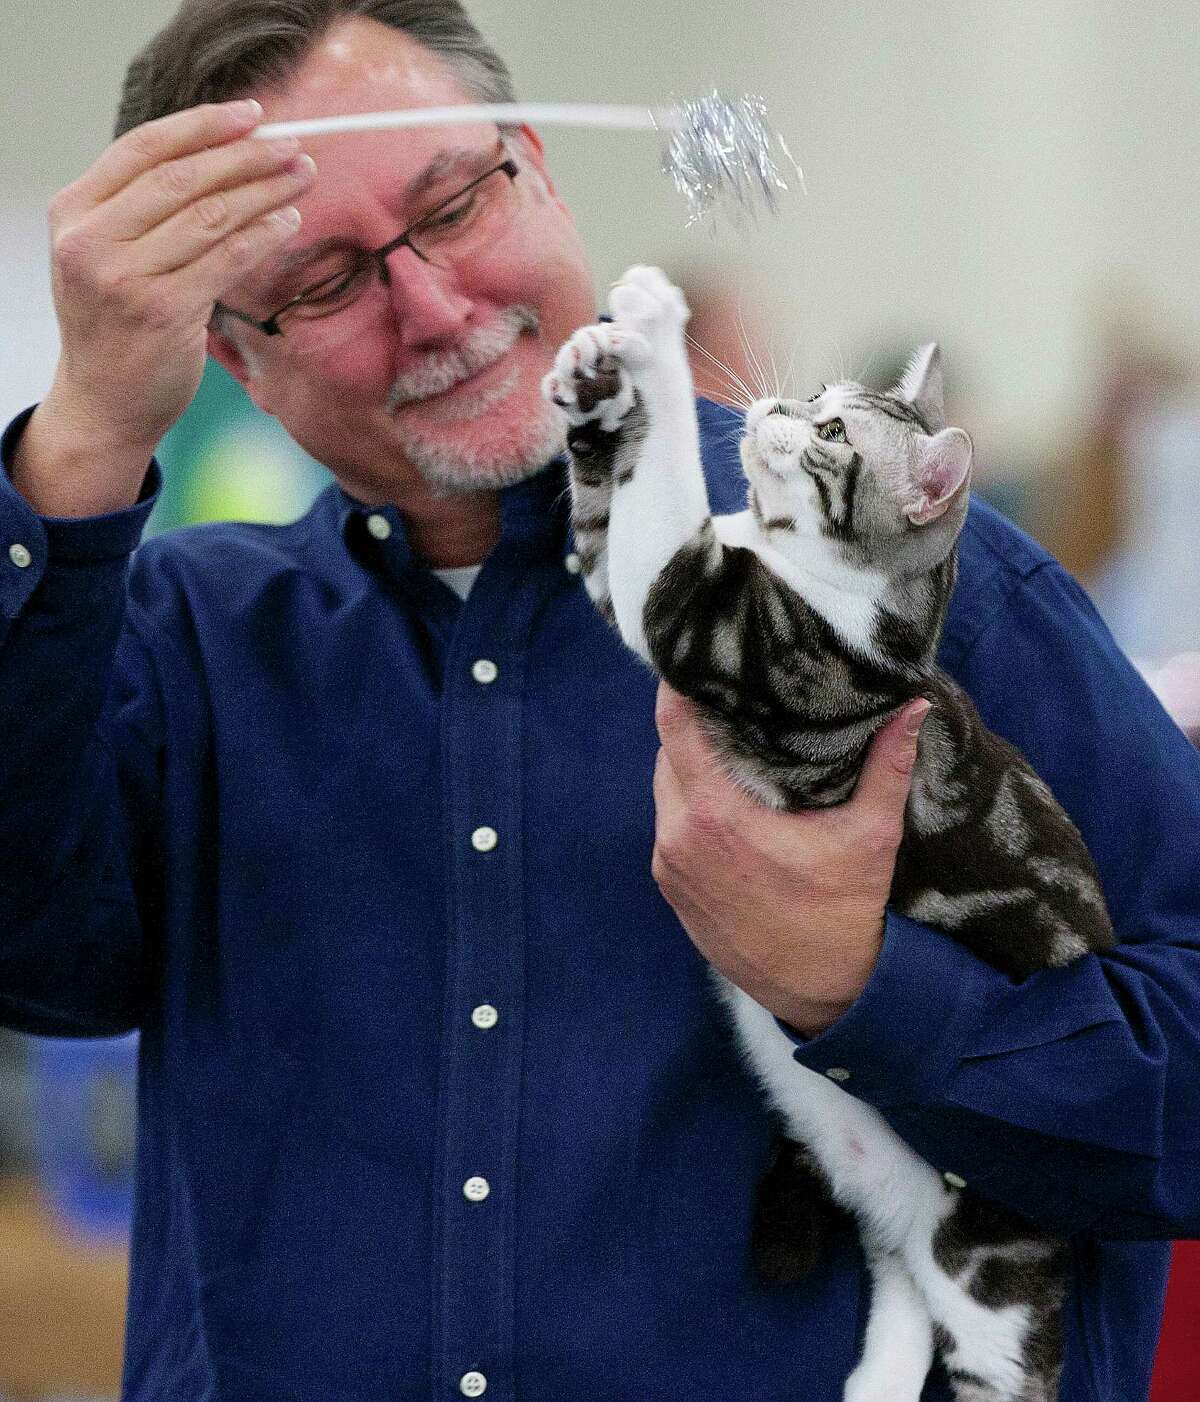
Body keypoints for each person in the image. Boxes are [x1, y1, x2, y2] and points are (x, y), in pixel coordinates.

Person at [2, 3, 1199, 1399]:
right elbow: (35, 955)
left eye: (454, 204)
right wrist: (79, 439)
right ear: (233, 361)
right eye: (324, 284)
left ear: (543, 173)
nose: (434, 307)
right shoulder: (179, 646)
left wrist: (871, 994)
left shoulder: (910, 586)